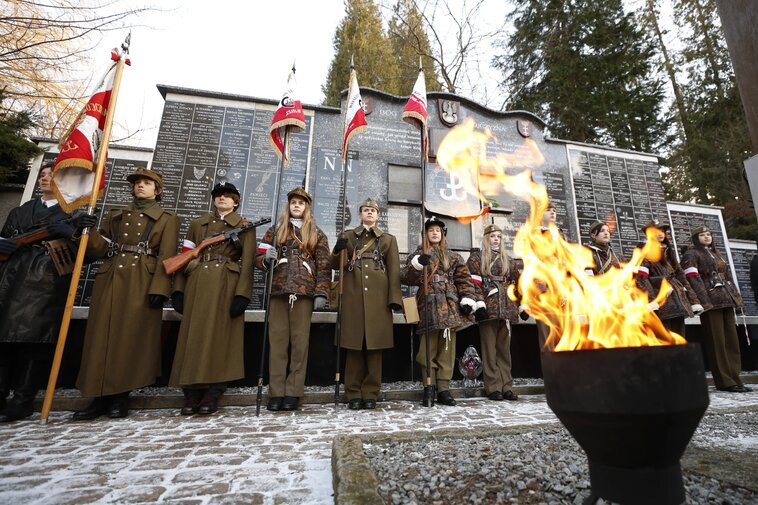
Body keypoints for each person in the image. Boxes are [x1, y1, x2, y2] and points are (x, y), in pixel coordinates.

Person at [73, 167, 179, 419]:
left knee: (130, 338)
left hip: (141, 279)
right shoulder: (117, 215)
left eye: (147, 183)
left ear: (158, 190)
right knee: (101, 336)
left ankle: (120, 395)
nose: (140, 186)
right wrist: (85, 231)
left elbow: (167, 256)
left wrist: (160, 288)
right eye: (137, 183)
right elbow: (100, 249)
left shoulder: (166, 218)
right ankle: (97, 395)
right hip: (111, 277)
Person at [0, 163, 95, 422]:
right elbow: (5, 237)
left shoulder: (72, 214)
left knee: (35, 343)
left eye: (51, 176)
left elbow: (86, 256)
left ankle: (23, 399)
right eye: (42, 175)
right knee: (4, 342)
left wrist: (75, 234)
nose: (45, 179)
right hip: (12, 278)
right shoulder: (21, 212)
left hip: (46, 281)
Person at [169, 182, 255, 416]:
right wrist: (178, 289)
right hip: (196, 282)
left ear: (236, 201)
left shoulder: (244, 226)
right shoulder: (198, 224)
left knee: (219, 339)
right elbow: (185, 256)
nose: (222, 199)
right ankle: (190, 392)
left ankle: (213, 392)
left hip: (225, 284)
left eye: (228, 196)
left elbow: (247, 262)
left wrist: (242, 293)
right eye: (218, 196)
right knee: (192, 338)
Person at [255, 187, 330, 411]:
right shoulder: (275, 230)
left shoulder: (317, 233)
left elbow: (324, 266)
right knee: (277, 343)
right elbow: (258, 258)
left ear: (307, 207)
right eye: (293, 202)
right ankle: (276, 392)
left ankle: (294, 391)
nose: (296, 205)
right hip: (279, 290)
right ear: (289, 206)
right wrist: (264, 259)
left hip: (304, 292)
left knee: (299, 344)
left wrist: (321, 292)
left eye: (301, 203)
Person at [331, 198, 402, 410]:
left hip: (379, 299)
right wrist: (338, 250)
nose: (369, 213)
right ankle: (352, 393)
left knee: (374, 348)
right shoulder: (348, 236)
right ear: (360, 214)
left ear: (378, 215)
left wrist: (394, 299)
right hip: (353, 296)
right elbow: (337, 265)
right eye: (365, 210)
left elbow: (394, 271)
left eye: (373, 210)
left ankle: (371, 392)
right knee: (353, 347)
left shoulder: (388, 240)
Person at [401, 216, 477, 407]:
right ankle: (429, 387)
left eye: (438, 230)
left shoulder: (453, 256)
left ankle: (444, 389)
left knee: (447, 351)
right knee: (427, 351)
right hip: (427, 306)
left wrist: (468, 298)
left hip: (449, 306)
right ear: (425, 234)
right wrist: (418, 264)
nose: (434, 233)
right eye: (430, 230)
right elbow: (405, 277)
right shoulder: (417, 255)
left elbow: (464, 280)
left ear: (442, 234)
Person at [682, 226, 750, 393]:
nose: (706, 237)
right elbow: (693, 279)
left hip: (726, 299)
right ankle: (725, 381)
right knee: (717, 341)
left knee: (731, 340)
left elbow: (727, 277)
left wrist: (737, 300)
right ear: (696, 238)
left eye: (708, 234)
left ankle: (735, 377)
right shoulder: (691, 254)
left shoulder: (717, 253)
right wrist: (703, 301)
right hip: (710, 302)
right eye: (702, 235)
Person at [467, 224, 521, 401]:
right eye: (492, 236)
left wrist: (522, 305)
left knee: (504, 350)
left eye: (498, 236)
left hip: (506, 308)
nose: (496, 239)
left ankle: (507, 386)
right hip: (487, 309)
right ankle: (493, 387)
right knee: (489, 350)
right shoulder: (477, 258)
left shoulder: (510, 261)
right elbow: (473, 283)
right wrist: (479, 304)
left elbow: (518, 285)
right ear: (486, 238)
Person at [634, 220, 703, 337]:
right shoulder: (643, 252)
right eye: (657, 231)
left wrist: (693, 300)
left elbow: (680, 275)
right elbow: (641, 279)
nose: (661, 234)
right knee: (664, 339)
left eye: (663, 231)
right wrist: (653, 302)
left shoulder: (668, 252)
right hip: (661, 304)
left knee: (679, 337)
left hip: (678, 301)